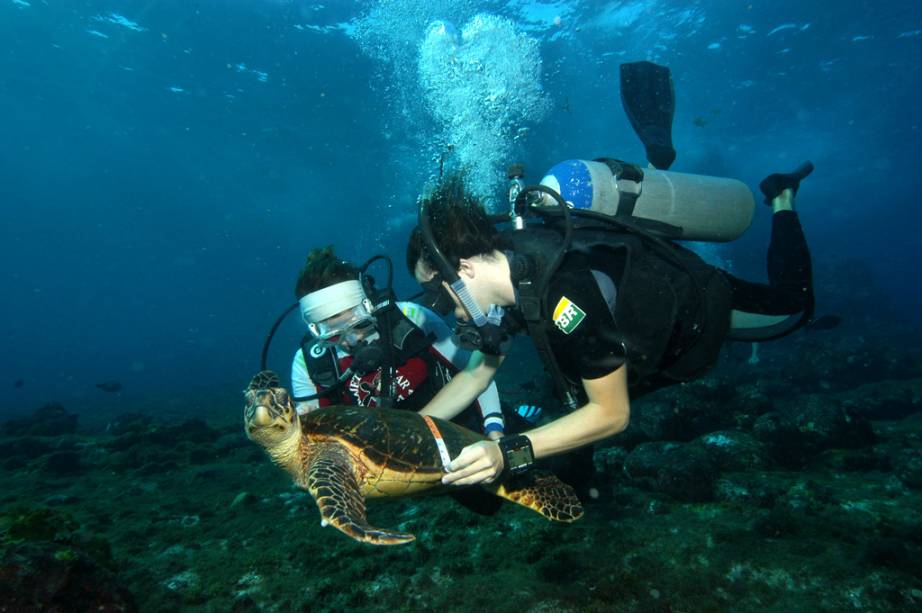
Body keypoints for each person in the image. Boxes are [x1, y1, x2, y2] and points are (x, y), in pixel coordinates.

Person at [405, 165, 815, 486]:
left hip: (700, 312)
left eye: (438, 295)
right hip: (639, 326)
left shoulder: (564, 291)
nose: (444, 309)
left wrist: (507, 453)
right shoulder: (508, 271)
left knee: (793, 308)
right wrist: (409, 432)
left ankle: (782, 199)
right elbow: (478, 373)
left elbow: (612, 413)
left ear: (463, 269)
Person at [291, 246, 505, 439]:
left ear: (370, 304)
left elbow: (477, 373)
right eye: (333, 335)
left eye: (360, 325)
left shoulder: (413, 319)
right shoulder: (310, 363)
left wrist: (493, 428)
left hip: (459, 431)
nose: (351, 340)